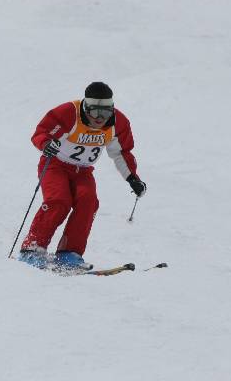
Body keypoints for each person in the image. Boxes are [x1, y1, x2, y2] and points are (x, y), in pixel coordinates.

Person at [19, 81, 146, 270]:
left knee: (88, 202)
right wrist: (46, 144)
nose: (100, 118)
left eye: (106, 112)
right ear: (86, 107)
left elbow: (121, 153)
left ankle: (69, 253)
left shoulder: (117, 123)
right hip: (56, 165)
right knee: (59, 200)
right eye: (95, 112)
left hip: (83, 171)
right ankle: (32, 248)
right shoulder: (69, 113)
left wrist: (132, 178)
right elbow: (42, 132)